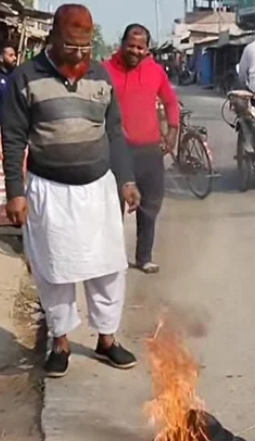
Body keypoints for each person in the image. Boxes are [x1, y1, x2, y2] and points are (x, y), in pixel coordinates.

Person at [0, 4, 142, 378]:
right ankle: (60, 342)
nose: (79, 55)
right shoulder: (24, 78)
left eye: (85, 47)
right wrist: (15, 191)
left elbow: (114, 133)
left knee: (109, 268)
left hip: (98, 190)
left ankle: (107, 340)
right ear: (52, 39)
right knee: (55, 271)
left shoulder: (102, 77)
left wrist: (126, 180)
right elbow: (13, 138)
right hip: (51, 192)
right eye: (71, 46)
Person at [104, 23, 180, 275]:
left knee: (150, 206)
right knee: (112, 207)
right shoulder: (105, 70)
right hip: (116, 150)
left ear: (147, 49)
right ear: (122, 44)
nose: (135, 51)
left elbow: (170, 102)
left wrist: (172, 132)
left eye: (140, 47)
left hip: (149, 150)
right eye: (131, 45)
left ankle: (144, 257)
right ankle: (111, 258)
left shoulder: (156, 71)